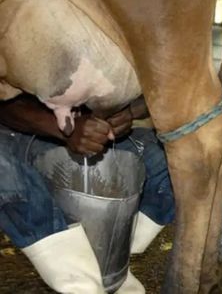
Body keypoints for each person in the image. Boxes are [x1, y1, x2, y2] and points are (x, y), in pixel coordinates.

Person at [0, 93, 175, 293]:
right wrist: (63, 128)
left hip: (89, 132)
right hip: (19, 132)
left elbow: (165, 83)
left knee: (178, 158)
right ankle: (81, 282)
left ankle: (108, 265)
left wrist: (129, 112)